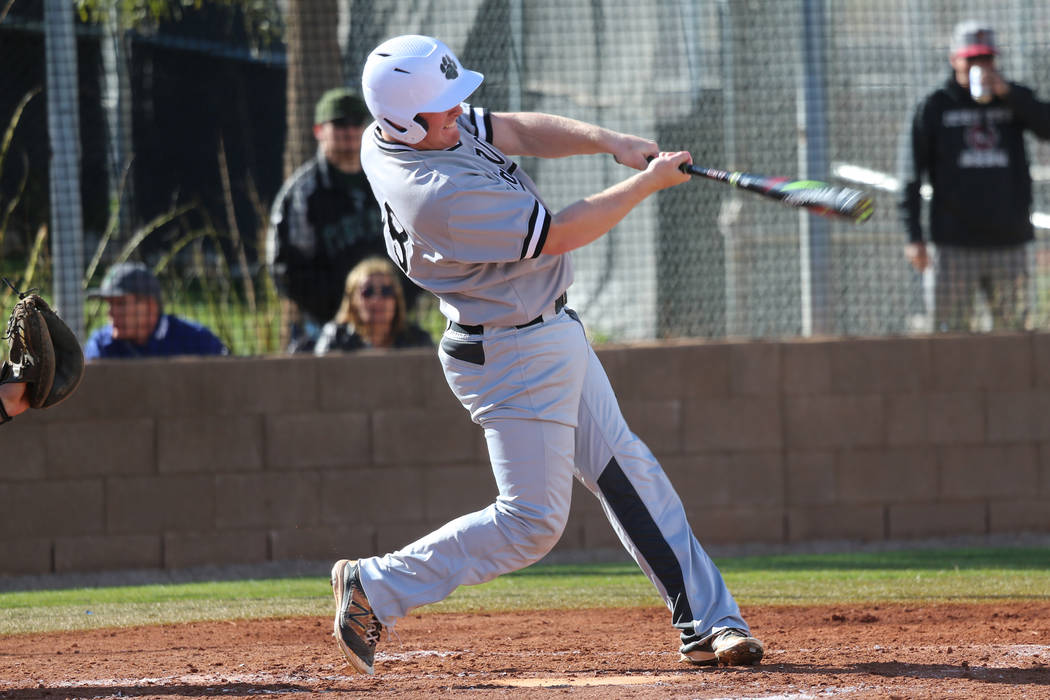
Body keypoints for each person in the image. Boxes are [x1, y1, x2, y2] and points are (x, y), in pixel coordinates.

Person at [327, 34, 764, 677]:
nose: (458, 115)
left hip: (542, 330)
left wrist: (610, 141)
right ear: (402, 120)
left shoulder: (401, 131)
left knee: (626, 469)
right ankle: (377, 586)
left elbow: (511, 129)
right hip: (512, 351)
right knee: (531, 523)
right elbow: (560, 234)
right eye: (442, 109)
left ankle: (708, 622)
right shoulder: (437, 196)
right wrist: (647, 184)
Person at [899, 20, 1050, 332]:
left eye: (987, 59)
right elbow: (910, 174)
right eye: (972, 59)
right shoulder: (935, 105)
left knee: (1014, 334)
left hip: (1009, 242)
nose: (979, 67)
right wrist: (913, 235)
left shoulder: (1013, 98)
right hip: (953, 245)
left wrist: (1008, 94)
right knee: (949, 332)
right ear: (954, 59)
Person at [268, 87, 421, 354]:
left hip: (393, 322)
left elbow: (419, 242)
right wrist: (341, 308)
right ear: (319, 131)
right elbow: (287, 268)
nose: (349, 131)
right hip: (324, 325)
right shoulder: (303, 194)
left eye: (356, 124)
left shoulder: (389, 180)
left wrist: (394, 302)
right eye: (339, 124)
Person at [85, 262, 228, 359]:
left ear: (150, 306)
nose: (110, 313)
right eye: (109, 304)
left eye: (121, 304)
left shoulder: (197, 340)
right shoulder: (100, 345)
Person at [314, 257, 432, 354]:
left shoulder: (418, 340)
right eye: (368, 292)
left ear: (396, 299)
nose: (377, 299)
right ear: (352, 300)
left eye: (386, 291)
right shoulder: (335, 338)